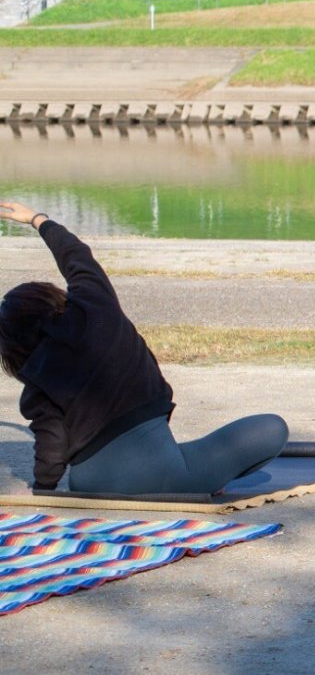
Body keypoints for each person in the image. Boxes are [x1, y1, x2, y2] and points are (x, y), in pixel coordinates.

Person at [1, 200, 287, 496]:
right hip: (166, 475)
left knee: (186, 455)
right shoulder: (96, 306)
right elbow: (76, 256)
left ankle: (189, 470)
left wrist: (44, 493)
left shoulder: (36, 382)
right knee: (273, 428)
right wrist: (38, 220)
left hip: (90, 486)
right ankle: (199, 476)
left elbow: (52, 445)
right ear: (51, 298)